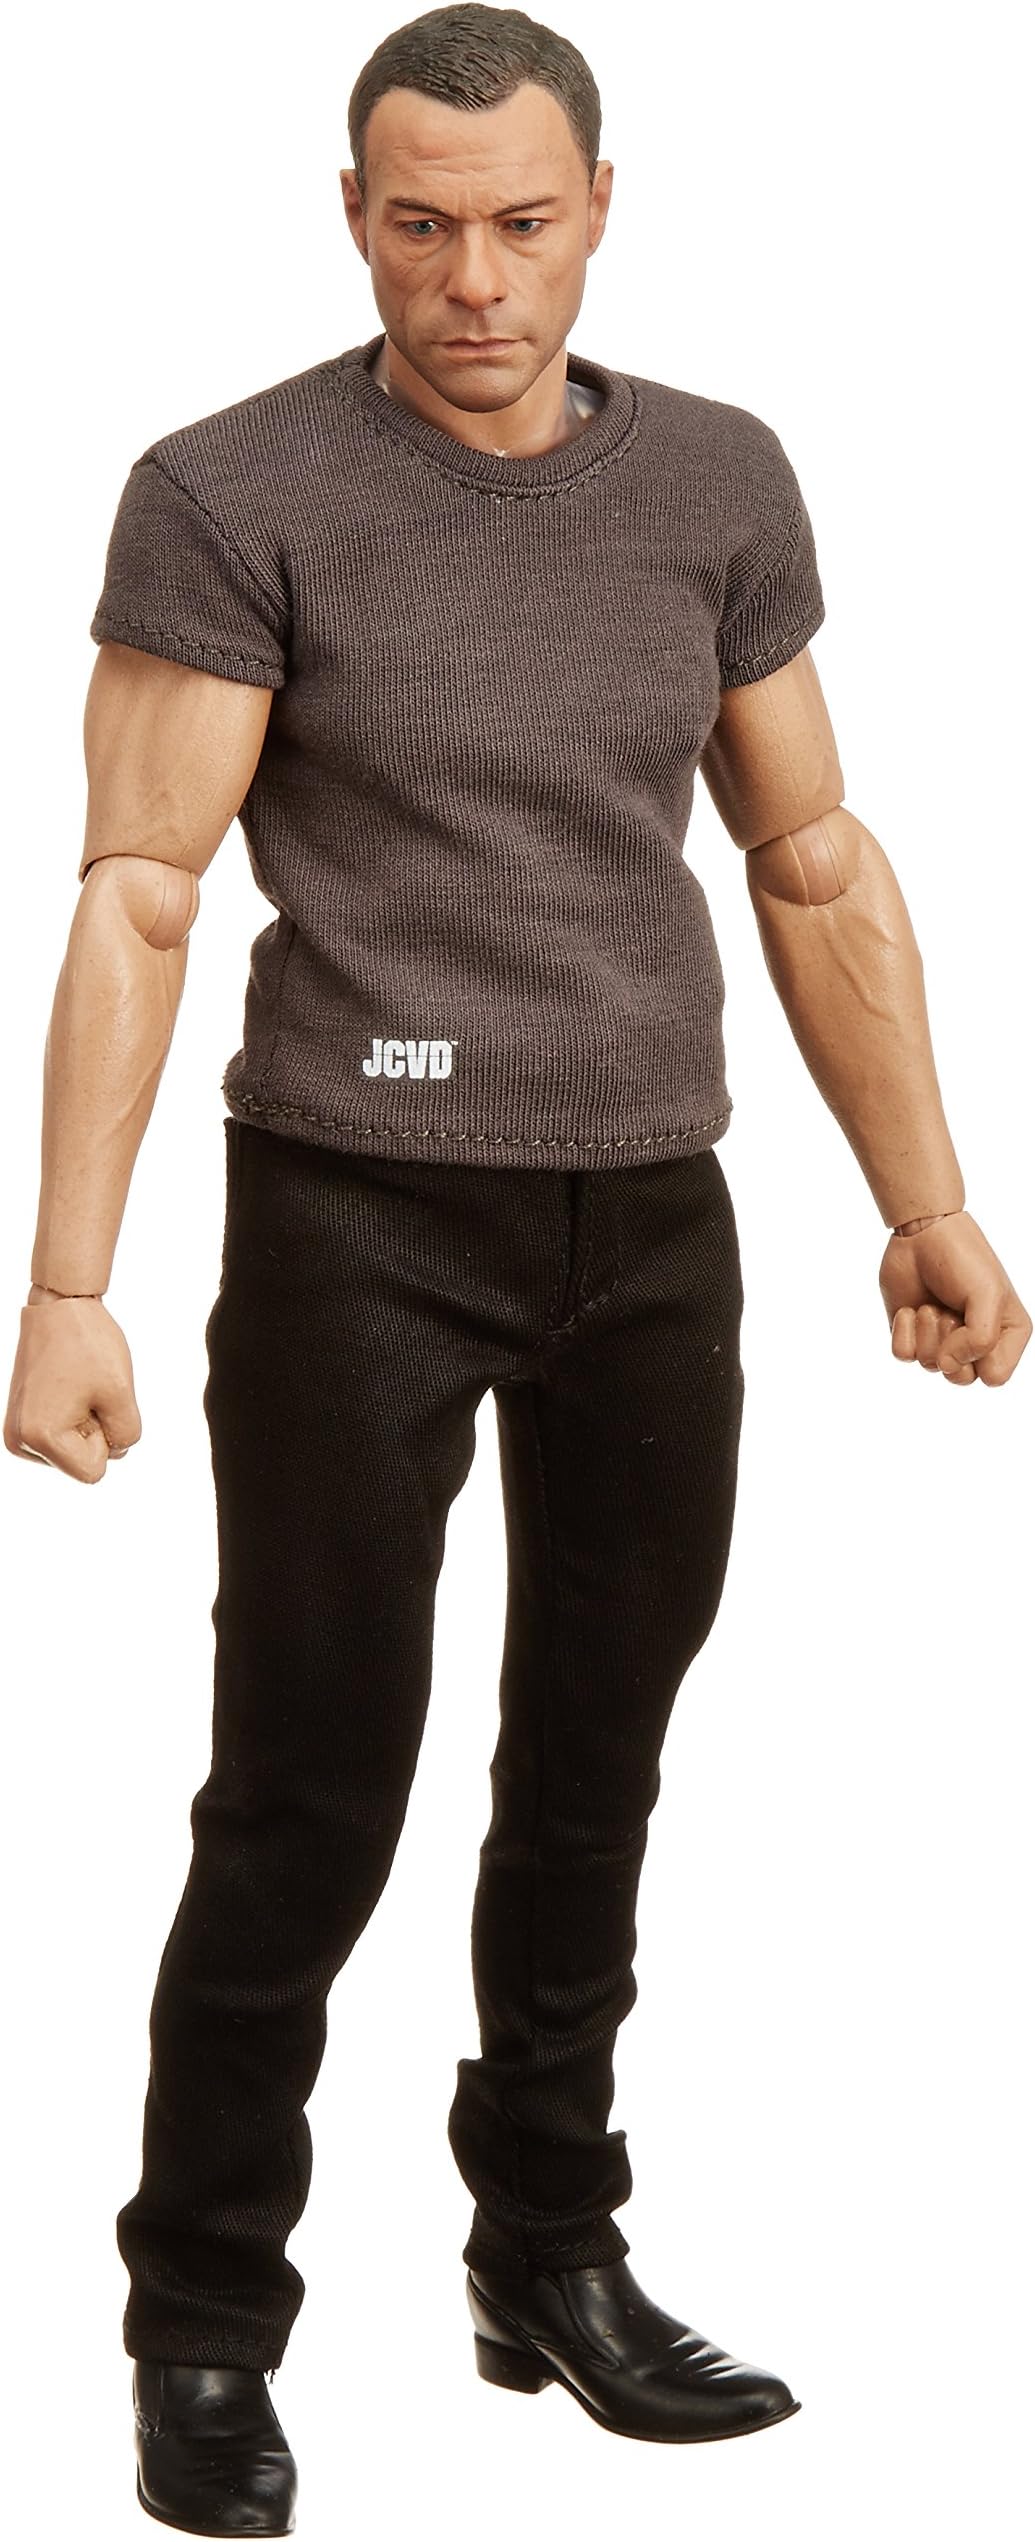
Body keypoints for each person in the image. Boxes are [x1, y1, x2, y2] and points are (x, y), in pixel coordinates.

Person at [5, 5, 1031, 2533]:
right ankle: (202, 2322)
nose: (472, 279)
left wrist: (920, 1193)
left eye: (520, 222)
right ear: (350, 217)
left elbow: (808, 857)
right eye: (419, 223)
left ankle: (544, 2249)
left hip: (649, 1220)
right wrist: (67, 1280)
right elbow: (140, 890)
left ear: (598, 210)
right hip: (354, 1208)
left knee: (594, 1767)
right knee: (309, 1780)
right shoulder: (229, 488)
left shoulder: (716, 477)